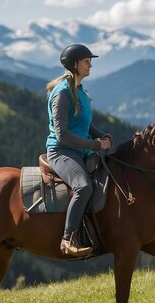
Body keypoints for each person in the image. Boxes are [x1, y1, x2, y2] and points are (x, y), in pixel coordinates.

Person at [46, 44, 113, 257]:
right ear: (74, 64)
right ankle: (68, 239)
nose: (90, 65)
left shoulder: (80, 90)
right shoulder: (62, 93)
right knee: (83, 187)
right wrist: (96, 145)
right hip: (62, 152)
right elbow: (62, 135)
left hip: (79, 151)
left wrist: (100, 135)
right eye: (86, 61)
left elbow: (85, 125)